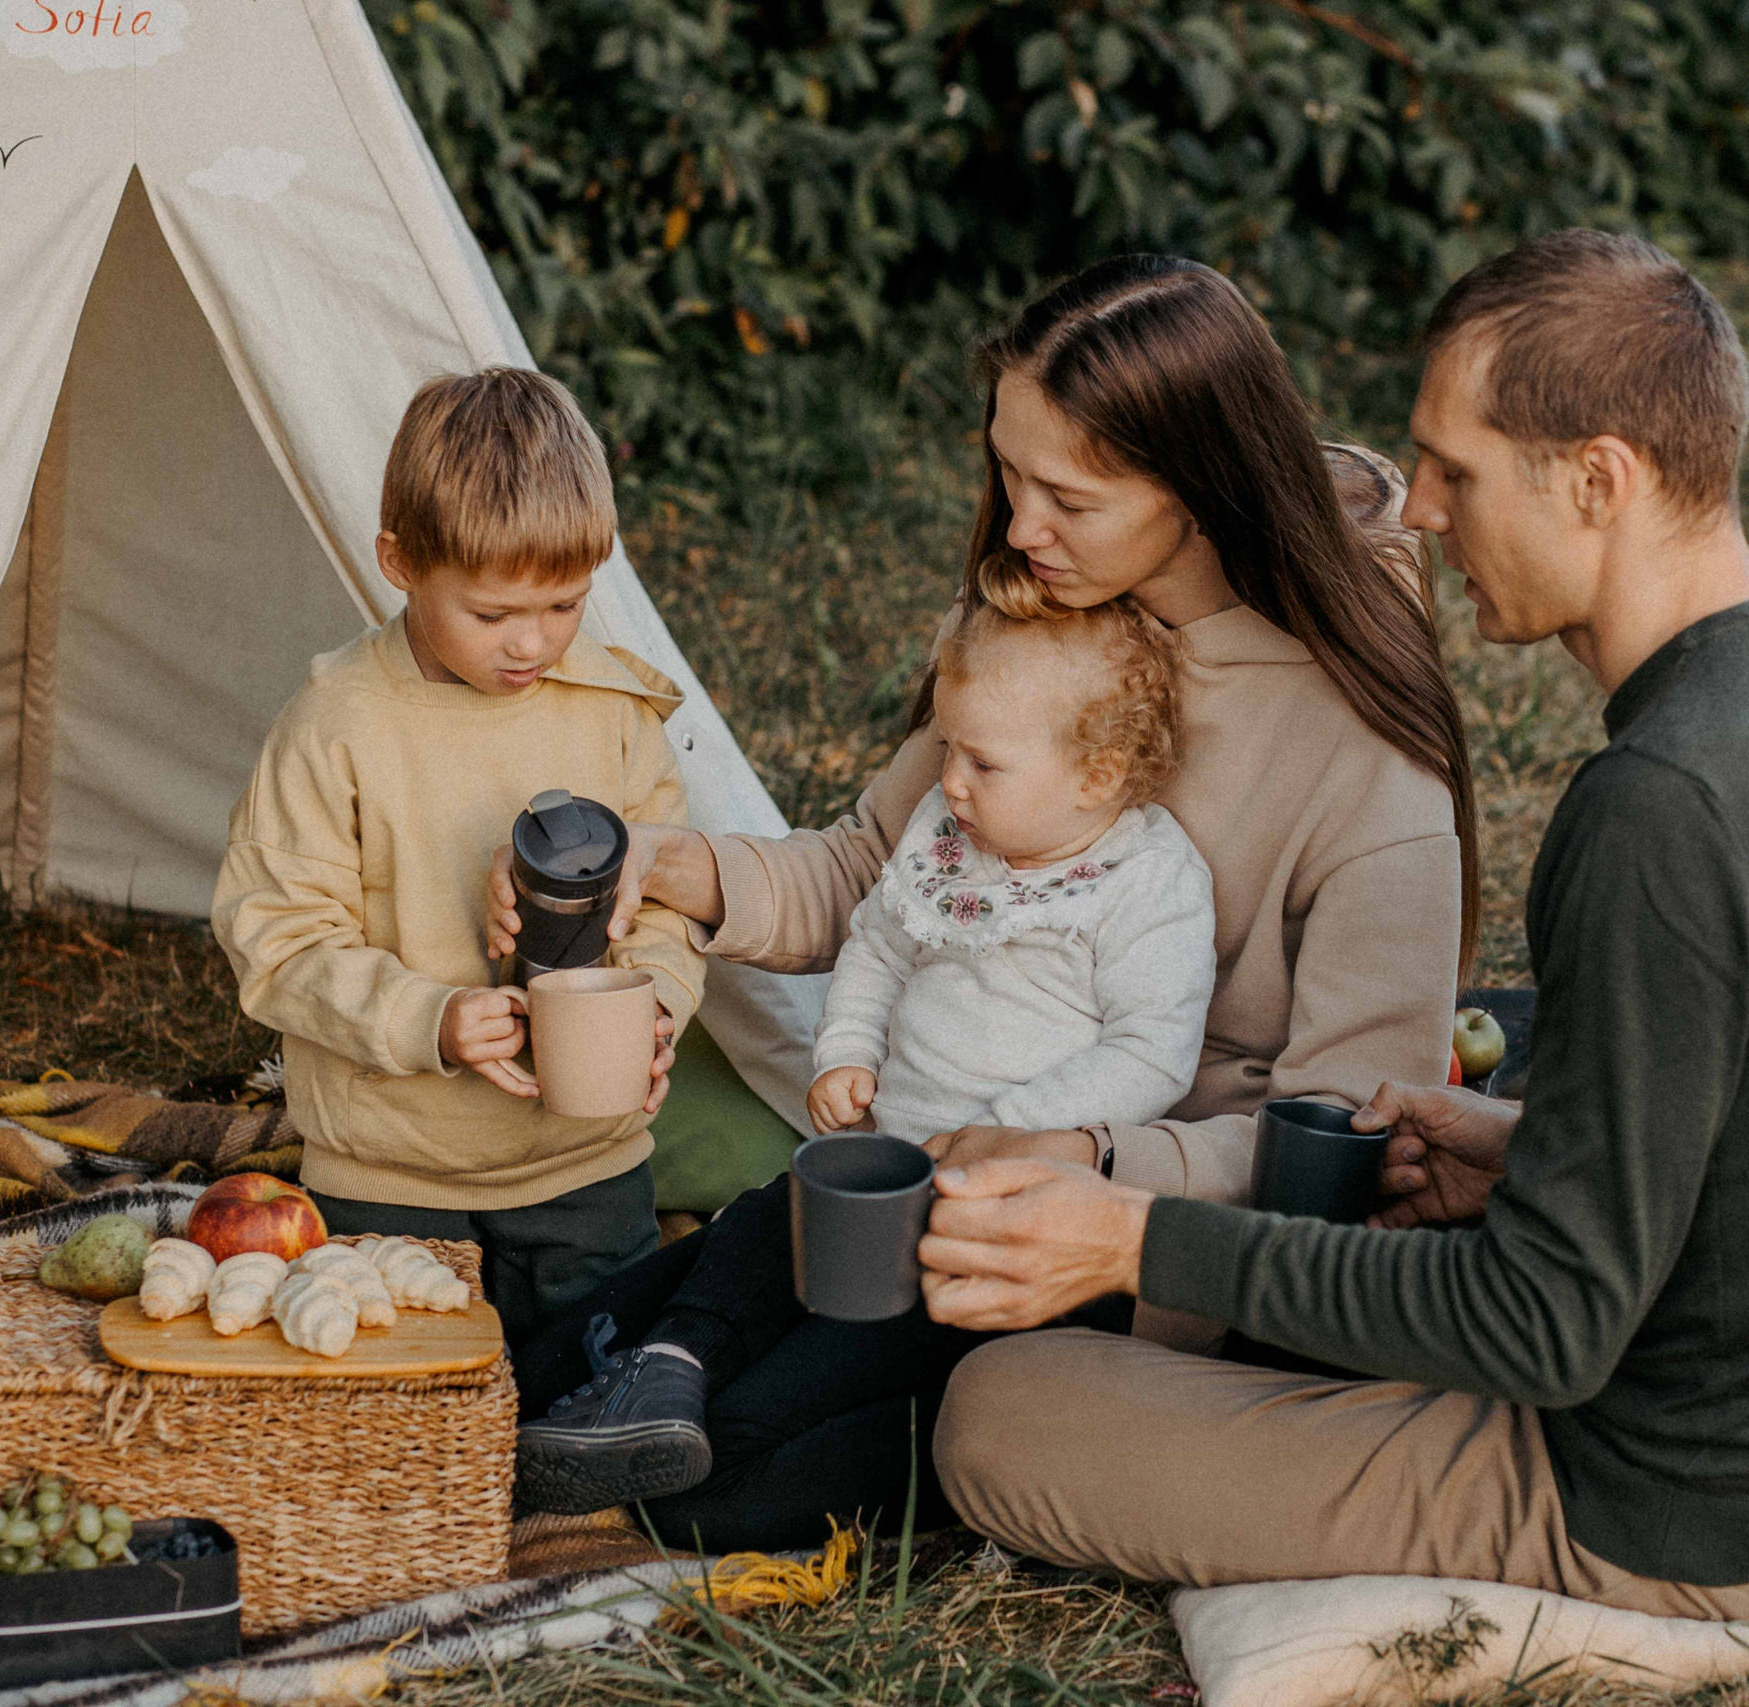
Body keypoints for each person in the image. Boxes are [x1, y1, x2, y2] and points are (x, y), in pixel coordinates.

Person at [918, 231, 1749, 1636]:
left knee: (1002, 1415)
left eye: (1456, 473)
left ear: (1599, 477)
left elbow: (1543, 1328)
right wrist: (1536, 1147)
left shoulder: (1662, 808)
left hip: (1687, 1497)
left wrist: (1134, 1237)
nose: (1424, 518)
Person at [484, 253, 1479, 1550]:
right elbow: (864, 871)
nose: (1018, 526)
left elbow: (1344, 1150)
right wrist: (672, 864)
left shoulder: (1362, 765)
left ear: (1201, 482)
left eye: (1068, 494)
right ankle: (641, 1369)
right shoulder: (1046, 626)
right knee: (536, 1362)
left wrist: (1089, 1162)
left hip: (1143, 1253)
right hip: (942, 1161)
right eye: (1010, 474)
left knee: (724, 1473)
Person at [509, 595, 1218, 1514]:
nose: (949, 780)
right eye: (949, 749)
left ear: (1100, 773)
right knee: (749, 1239)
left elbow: (1151, 1053)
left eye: (982, 762)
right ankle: (622, 1376)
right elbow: (880, 943)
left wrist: (1003, 1135)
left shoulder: (1148, 885)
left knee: (744, 1443)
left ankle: (687, 1440)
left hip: (988, 1225)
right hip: (875, 1175)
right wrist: (845, 1050)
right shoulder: (949, 833)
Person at [211, 367, 694, 1346]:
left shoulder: (612, 713)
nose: (532, 642)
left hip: (587, 1168)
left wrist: (656, 1003)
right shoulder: (336, 727)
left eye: (564, 605)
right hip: (393, 1176)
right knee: (409, 1411)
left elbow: (670, 903)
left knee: (597, 1390)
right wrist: (427, 1020)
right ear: (398, 561)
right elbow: (276, 940)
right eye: (491, 613)